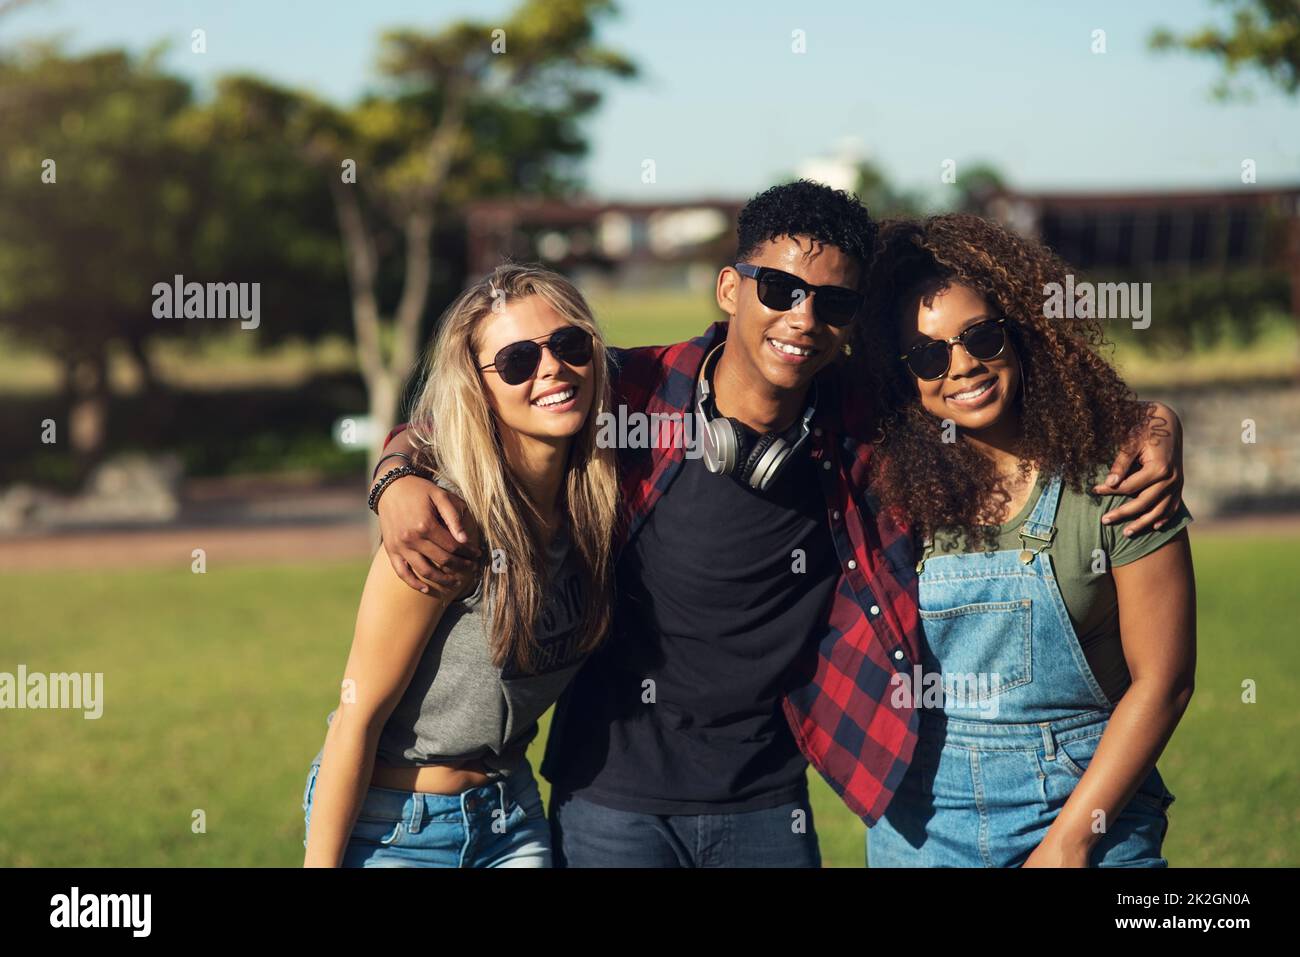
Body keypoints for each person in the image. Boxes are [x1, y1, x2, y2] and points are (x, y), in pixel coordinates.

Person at [369, 181, 1187, 867]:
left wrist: (1144, 418)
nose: (802, 317)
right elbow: (496, 410)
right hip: (608, 800)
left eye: (832, 302)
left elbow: (1006, 388)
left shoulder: (868, 428)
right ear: (731, 290)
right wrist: (400, 472)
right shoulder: (633, 393)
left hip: (769, 804)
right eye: (779, 290)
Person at [858, 215, 1195, 867]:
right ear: (903, 375)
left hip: (1087, 813)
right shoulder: (885, 492)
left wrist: (1071, 843)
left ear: (1024, 332)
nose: (962, 365)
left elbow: (1166, 682)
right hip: (923, 830)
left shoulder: (1121, 476)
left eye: (981, 335)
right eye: (930, 353)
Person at [302, 264, 618, 867]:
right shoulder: (442, 527)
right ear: (479, 388)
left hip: (511, 815)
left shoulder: (595, 510)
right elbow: (355, 717)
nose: (551, 367)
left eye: (570, 344)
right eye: (519, 361)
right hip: (396, 827)